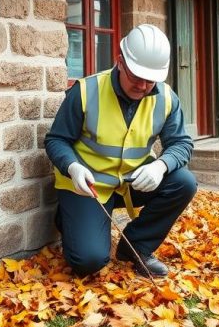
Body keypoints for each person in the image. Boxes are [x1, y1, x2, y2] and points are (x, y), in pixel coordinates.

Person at [45, 24, 196, 279]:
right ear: (120, 62)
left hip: (132, 183)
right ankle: (70, 217)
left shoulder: (167, 98)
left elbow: (182, 144)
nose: (143, 85)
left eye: (151, 80)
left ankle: (136, 247)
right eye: (137, 76)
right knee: (88, 261)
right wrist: (72, 167)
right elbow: (56, 140)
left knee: (184, 182)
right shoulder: (85, 91)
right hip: (86, 185)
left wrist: (160, 166)